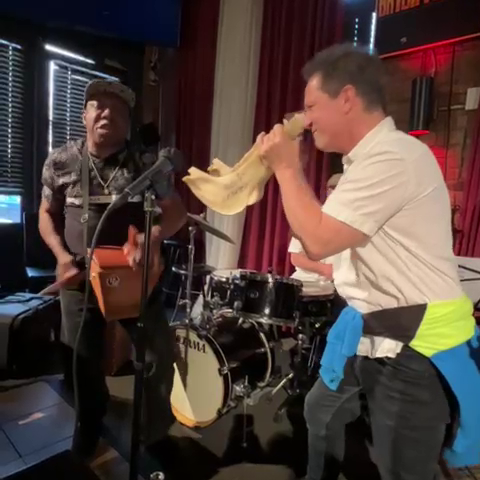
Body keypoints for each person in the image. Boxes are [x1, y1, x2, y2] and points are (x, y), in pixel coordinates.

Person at [256, 44, 476, 480]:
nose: (306, 118)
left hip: (414, 345)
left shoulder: (393, 157)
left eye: (311, 106)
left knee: (402, 469)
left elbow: (316, 240)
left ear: (348, 98)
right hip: (367, 326)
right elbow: (327, 242)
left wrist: (285, 167)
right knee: (320, 411)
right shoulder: (363, 165)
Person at [39, 79, 187, 461]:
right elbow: (46, 213)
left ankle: (153, 433)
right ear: (84, 114)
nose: (107, 114)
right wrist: (59, 254)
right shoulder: (60, 160)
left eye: (118, 110)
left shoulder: (147, 163)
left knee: (158, 358)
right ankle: (90, 422)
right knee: (81, 362)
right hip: (79, 278)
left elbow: (176, 211)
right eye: (98, 106)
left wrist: (152, 238)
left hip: (134, 278)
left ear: (128, 121)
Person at [288, 173, 342, 287]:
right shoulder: (311, 218)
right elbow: (296, 257)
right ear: (329, 192)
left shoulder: (352, 223)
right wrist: (323, 269)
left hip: (337, 288)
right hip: (307, 283)